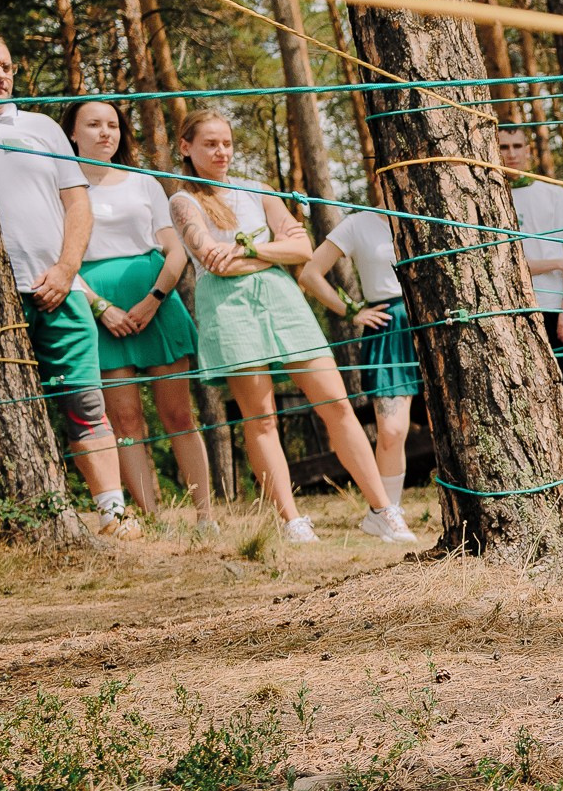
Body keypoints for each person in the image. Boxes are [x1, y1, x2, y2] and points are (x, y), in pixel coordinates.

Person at [168, 109, 415, 546]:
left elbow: (302, 247)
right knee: (261, 416)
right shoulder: (184, 200)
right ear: (186, 148)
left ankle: (383, 510)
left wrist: (255, 252)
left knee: (336, 403)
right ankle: (291, 519)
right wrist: (275, 251)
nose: (221, 151)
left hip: (282, 301)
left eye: (226, 142)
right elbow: (212, 260)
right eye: (210, 144)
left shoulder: (258, 190)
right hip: (229, 307)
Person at [0, 32, 137, 536]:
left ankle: (112, 514)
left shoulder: (40, 128)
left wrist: (64, 269)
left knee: (85, 399)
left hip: (58, 286)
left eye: (6, 66)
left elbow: (76, 204)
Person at [62, 97, 216, 530]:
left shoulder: (143, 181)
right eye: (93, 124)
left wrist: (153, 299)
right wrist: (101, 308)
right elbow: (57, 255)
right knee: (126, 419)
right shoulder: (60, 184)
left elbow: (174, 250)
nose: (105, 132)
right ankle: (154, 519)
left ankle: (206, 517)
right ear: (72, 132)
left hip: (157, 302)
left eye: (112, 124)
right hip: (97, 309)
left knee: (178, 415)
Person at [298, 199, 419, 512]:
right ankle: (387, 512)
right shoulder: (358, 223)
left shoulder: (429, 209)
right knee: (392, 430)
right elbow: (310, 274)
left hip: (437, 320)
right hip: (391, 327)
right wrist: (351, 311)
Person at [495, 122, 563, 462]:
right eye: (504, 147)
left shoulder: (555, 194)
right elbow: (506, 263)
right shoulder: (490, 200)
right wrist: (555, 261)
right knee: (541, 397)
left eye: (517, 146)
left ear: (528, 150)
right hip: (525, 311)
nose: (511, 153)